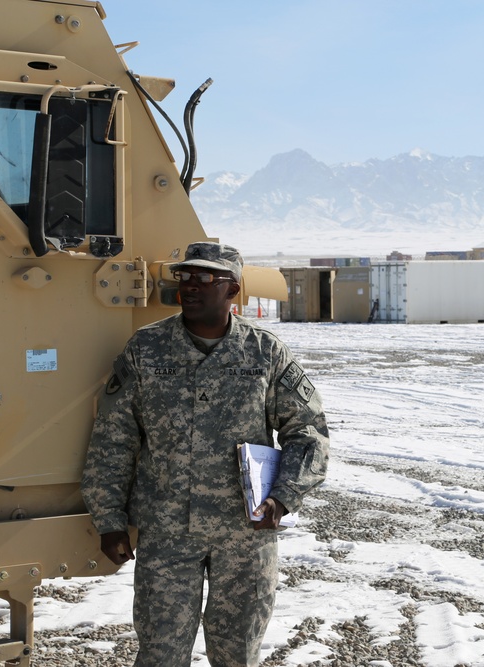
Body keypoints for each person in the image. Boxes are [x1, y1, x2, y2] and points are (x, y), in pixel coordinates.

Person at [81, 242, 330, 667]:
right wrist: (109, 520)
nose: (191, 287)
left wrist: (284, 496)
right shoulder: (147, 349)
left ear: (233, 290)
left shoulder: (265, 353)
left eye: (205, 278)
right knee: (160, 654)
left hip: (245, 536)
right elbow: (113, 437)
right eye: (185, 277)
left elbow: (307, 432)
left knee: (238, 654)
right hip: (168, 534)